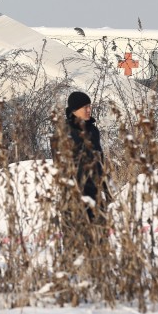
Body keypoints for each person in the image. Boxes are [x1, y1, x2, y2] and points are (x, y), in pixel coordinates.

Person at [59, 91, 110, 223]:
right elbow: (62, 169)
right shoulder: (63, 132)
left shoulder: (93, 130)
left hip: (96, 195)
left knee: (101, 237)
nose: (89, 110)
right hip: (75, 198)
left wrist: (107, 190)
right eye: (85, 107)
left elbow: (100, 161)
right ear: (75, 110)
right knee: (79, 239)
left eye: (89, 106)